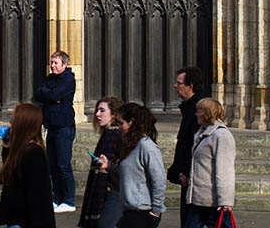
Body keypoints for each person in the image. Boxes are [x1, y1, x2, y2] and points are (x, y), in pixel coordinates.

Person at [99, 103, 166, 228]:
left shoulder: (146, 146)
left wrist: (156, 211)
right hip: (129, 210)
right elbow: (129, 173)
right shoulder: (130, 145)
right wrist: (109, 166)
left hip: (142, 211)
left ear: (131, 122)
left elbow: (159, 180)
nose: (118, 127)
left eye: (121, 123)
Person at [0, 102, 56, 228]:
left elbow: (38, 195)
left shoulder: (34, 152)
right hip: (16, 216)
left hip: (25, 220)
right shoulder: (21, 148)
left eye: (14, 119)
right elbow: (9, 174)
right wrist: (7, 145)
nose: (11, 123)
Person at [33, 49, 76, 213]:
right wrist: (50, 96)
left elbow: (53, 95)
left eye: (55, 63)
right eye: (51, 63)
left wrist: (50, 95)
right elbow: (39, 94)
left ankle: (69, 200)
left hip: (64, 126)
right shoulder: (51, 78)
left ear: (64, 64)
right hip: (51, 125)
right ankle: (57, 198)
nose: (52, 66)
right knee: (53, 165)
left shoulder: (68, 79)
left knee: (63, 165)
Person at [184, 98, 236, 228]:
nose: (196, 114)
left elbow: (225, 170)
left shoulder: (221, 136)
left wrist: (225, 200)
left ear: (207, 113)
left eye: (199, 111)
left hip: (214, 201)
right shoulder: (203, 133)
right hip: (199, 199)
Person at [167, 66, 205, 227]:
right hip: (188, 176)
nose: (175, 86)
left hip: (194, 179)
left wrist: (187, 172)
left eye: (179, 83)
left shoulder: (199, 111)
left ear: (190, 86)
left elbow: (197, 146)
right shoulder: (190, 108)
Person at [78, 95, 123, 228]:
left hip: (111, 192)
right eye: (97, 110)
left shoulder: (115, 134)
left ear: (114, 114)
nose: (97, 115)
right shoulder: (108, 133)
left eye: (102, 111)